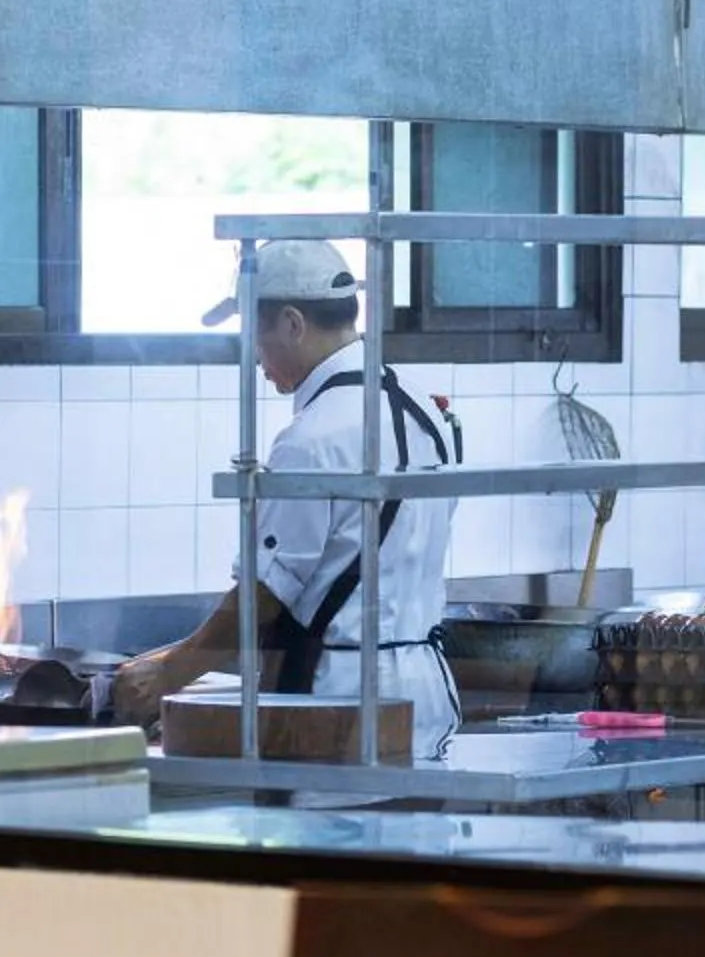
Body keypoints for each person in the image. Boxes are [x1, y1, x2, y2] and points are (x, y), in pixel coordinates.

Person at [113, 239, 463, 757]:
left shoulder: (313, 437)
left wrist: (169, 672)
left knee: (336, 836)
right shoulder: (426, 411)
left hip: (341, 699)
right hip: (428, 691)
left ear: (293, 324)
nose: (256, 355)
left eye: (257, 334)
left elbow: (265, 596)